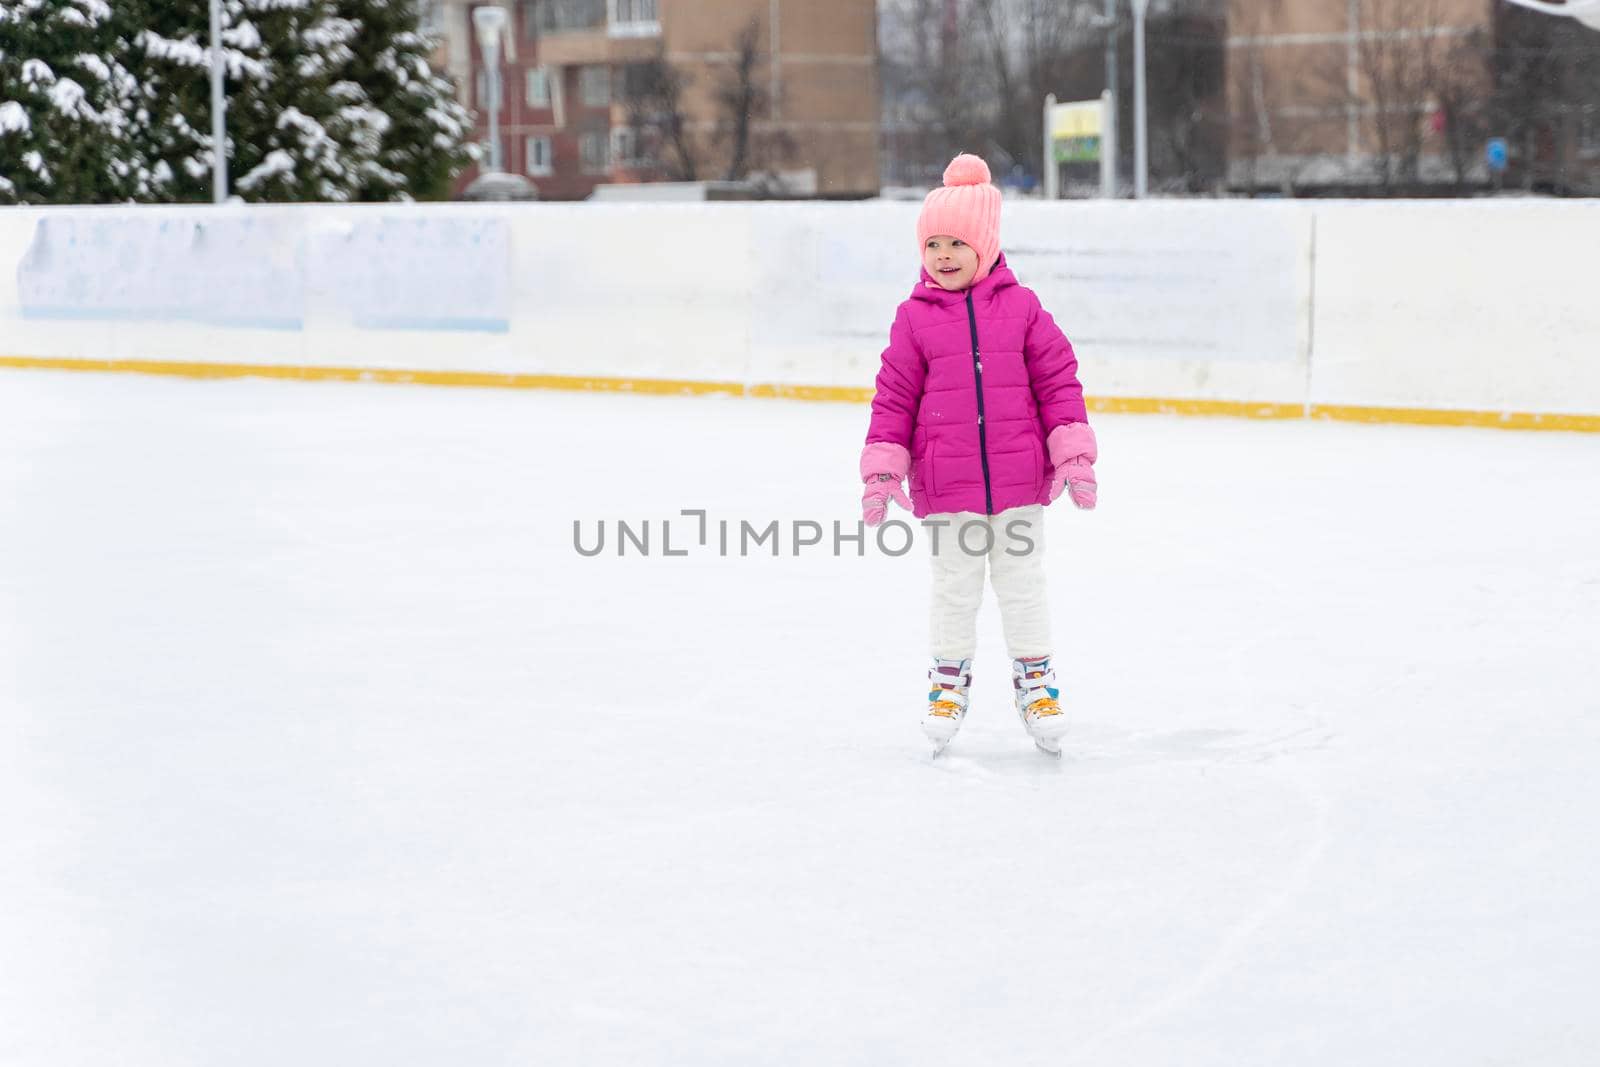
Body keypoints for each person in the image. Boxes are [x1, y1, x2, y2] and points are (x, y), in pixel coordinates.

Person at [859, 153, 1097, 756]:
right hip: (947, 487)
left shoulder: (1022, 309)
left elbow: (1058, 382)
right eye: (932, 243)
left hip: (1018, 484)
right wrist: (884, 470)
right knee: (954, 589)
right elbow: (893, 395)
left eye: (956, 243)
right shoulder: (913, 320)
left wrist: (1072, 455)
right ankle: (948, 683)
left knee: (1022, 585)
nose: (942, 254)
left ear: (986, 245)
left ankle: (1036, 682)